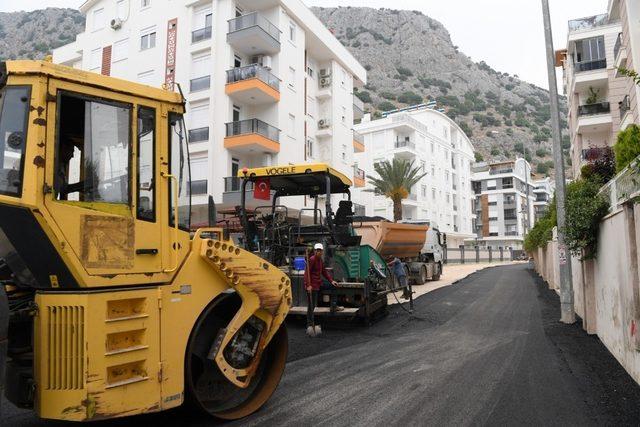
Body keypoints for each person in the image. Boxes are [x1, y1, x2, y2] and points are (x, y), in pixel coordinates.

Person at [305, 243, 339, 327]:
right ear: (315, 251)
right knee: (311, 306)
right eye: (317, 250)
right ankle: (309, 323)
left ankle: (333, 306)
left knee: (334, 286)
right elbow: (307, 273)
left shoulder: (320, 260)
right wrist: (308, 285)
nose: (319, 252)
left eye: (320, 250)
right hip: (312, 286)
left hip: (319, 283)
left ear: (322, 251)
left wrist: (331, 281)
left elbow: (324, 272)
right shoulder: (312, 259)